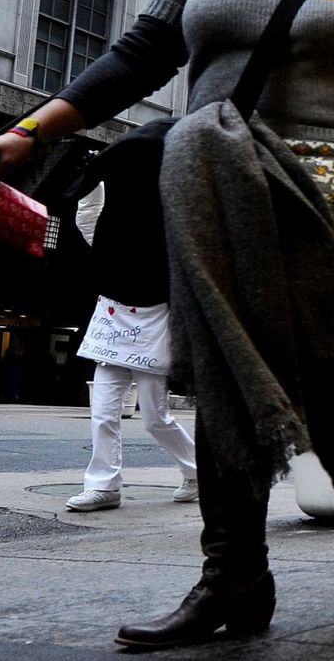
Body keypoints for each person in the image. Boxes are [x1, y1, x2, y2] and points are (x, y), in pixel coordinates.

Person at [0, 0, 334, 649]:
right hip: (209, 167)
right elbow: (138, 55)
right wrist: (30, 131)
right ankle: (238, 573)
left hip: (328, 179)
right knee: (220, 359)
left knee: (290, 351)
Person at [63, 183, 200, 513]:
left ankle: (199, 472)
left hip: (153, 332)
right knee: (103, 413)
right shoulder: (108, 238)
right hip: (113, 329)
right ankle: (103, 486)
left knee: (155, 418)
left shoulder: (172, 246)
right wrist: (91, 180)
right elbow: (89, 214)